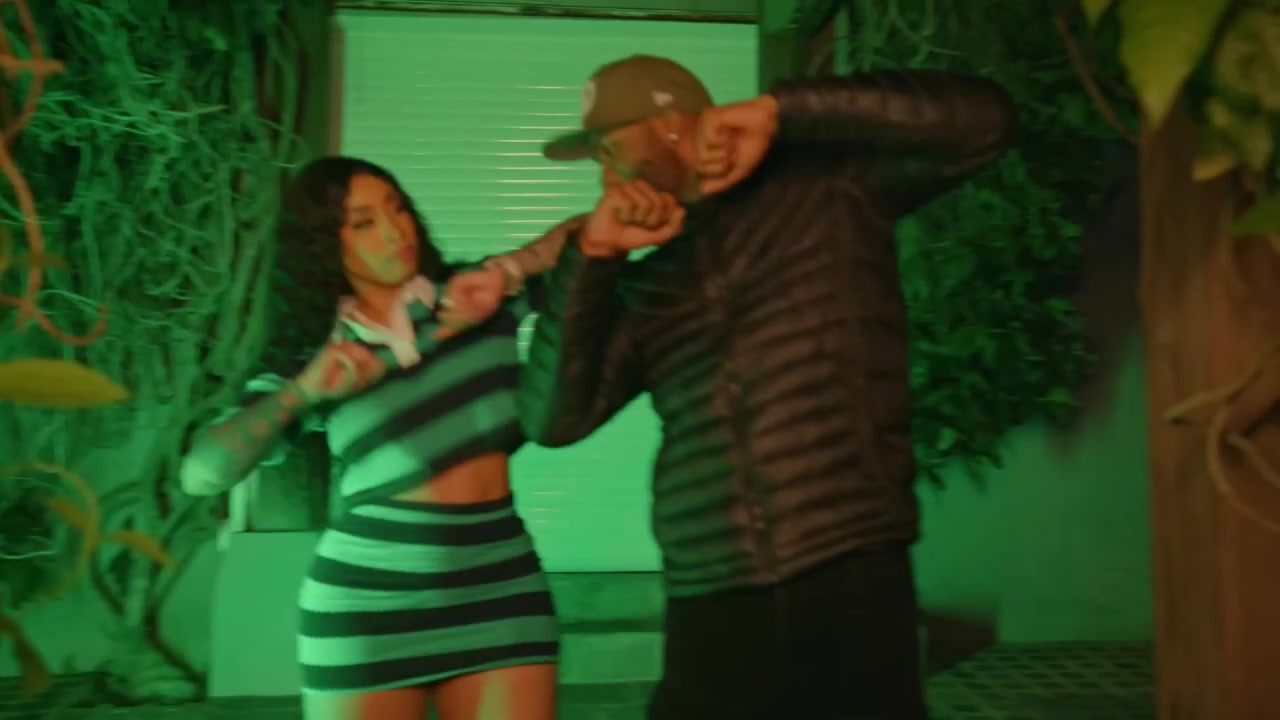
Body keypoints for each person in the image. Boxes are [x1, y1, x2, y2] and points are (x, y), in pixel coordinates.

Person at [517, 55, 1015, 719]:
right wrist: (594, 258)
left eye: (608, 149)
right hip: (710, 594)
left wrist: (782, 112)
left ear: (670, 127)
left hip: (848, 568)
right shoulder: (650, 283)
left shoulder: (828, 187)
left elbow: (985, 122)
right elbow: (551, 420)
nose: (605, 176)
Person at [179, 156, 579, 720]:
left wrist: (512, 268)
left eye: (397, 208)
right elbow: (201, 474)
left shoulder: (474, 296)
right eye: (364, 222)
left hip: (502, 583)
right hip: (370, 600)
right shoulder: (317, 352)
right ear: (325, 244)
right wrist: (302, 393)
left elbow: (595, 234)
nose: (395, 232)